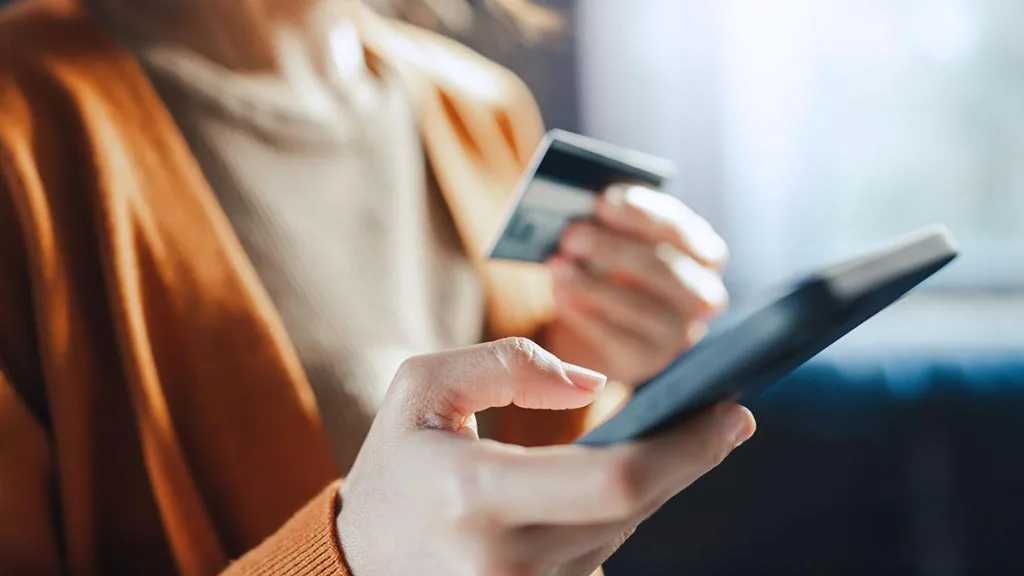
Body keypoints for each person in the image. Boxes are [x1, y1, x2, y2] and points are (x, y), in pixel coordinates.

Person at [0, 0, 755, 574]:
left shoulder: (478, 108)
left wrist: (592, 361)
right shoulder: (23, 134)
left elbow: (502, 499)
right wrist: (351, 554)